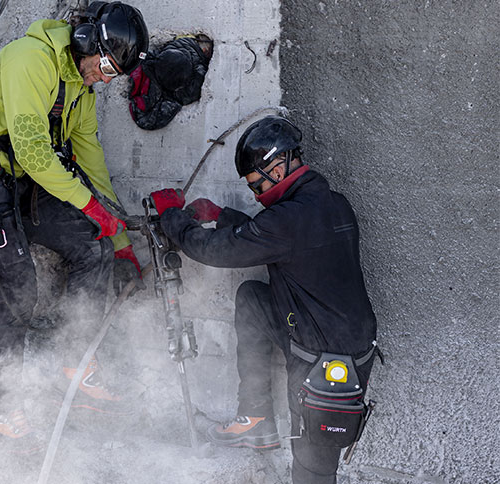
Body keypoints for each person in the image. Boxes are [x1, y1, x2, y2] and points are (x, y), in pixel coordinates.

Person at [0, 1, 148, 452]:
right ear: (85, 42)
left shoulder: (80, 89)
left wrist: (116, 237)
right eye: (105, 66)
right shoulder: (28, 61)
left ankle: (75, 367)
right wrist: (93, 209)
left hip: (23, 182)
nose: (105, 77)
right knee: (20, 284)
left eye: (114, 73)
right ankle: (1, 402)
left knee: (91, 246)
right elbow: (36, 152)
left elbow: (90, 160)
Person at [149, 116, 379, 483]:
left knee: (312, 469)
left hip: (329, 364)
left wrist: (172, 218)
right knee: (254, 299)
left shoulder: (289, 219)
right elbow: (278, 239)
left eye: (256, 183)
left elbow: (216, 251)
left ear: (278, 165)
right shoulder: (331, 204)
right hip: (322, 330)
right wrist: (224, 216)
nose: (256, 194)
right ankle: (255, 418)